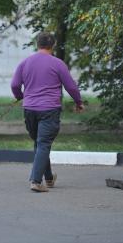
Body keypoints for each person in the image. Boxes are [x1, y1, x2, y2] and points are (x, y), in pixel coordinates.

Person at [11, 32, 84, 192]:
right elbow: (71, 86)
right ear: (53, 45)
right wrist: (78, 102)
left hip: (29, 109)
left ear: (37, 44)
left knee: (40, 143)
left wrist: (20, 97)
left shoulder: (25, 63)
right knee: (43, 144)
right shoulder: (58, 64)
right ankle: (36, 181)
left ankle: (49, 179)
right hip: (49, 110)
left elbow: (15, 85)